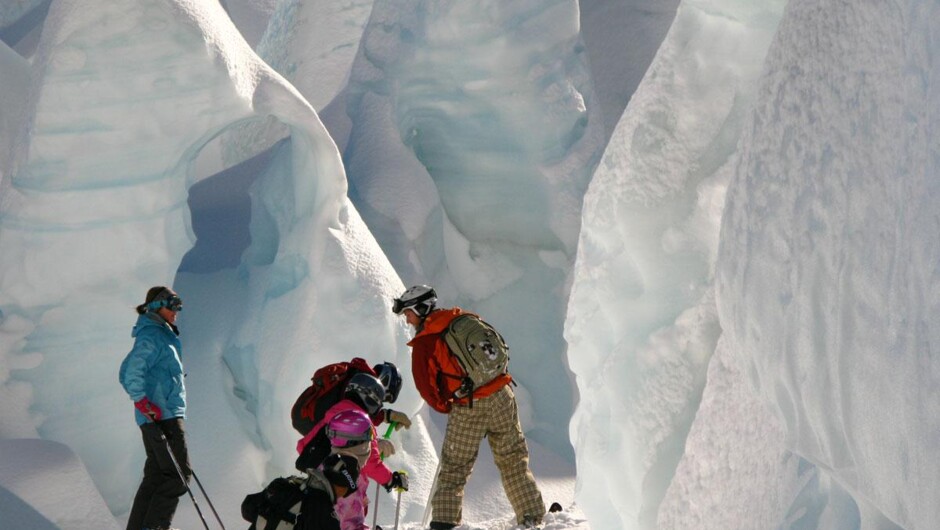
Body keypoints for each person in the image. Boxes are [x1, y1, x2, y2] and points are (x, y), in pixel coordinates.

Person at [392, 285, 545, 529]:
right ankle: (532, 516)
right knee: (513, 458)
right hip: (502, 394)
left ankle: (444, 522)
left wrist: (447, 405)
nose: (407, 319)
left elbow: (426, 387)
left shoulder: (426, 341)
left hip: (469, 405)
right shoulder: (464, 318)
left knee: (455, 467)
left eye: (408, 313)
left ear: (421, 309)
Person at [296, 374, 410, 530]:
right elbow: (371, 463)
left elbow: (303, 446)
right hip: (347, 482)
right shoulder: (361, 422)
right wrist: (391, 479)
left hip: (320, 482)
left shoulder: (333, 413)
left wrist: (330, 457)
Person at [118, 286, 190, 530]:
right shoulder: (153, 336)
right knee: (179, 476)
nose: (177, 311)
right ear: (158, 307)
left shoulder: (158, 334)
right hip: (163, 417)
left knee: (157, 476)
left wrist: (143, 403)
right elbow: (130, 373)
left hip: (158, 416)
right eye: (173, 305)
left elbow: (124, 371)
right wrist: (142, 401)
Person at [300, 453, 362, 530]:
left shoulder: (297, 485)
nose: (343, 496)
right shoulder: (327, 518)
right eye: (347, 491)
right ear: (343, 486)